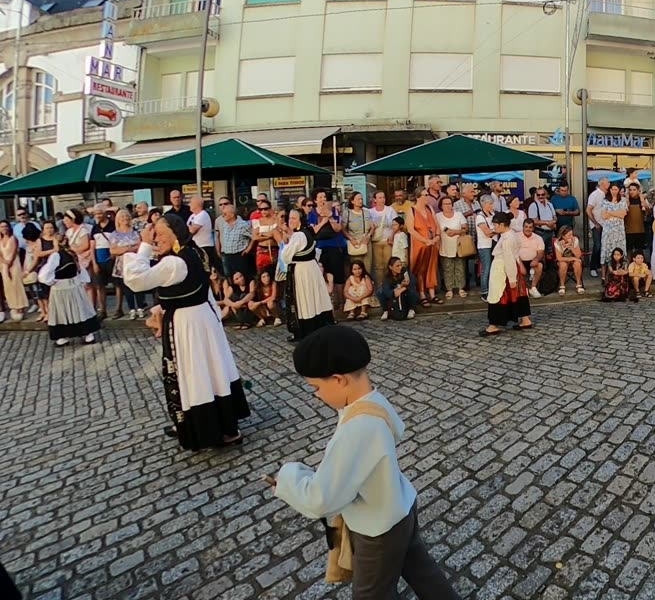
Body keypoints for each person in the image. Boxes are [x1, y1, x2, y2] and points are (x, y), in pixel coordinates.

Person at [269, 325, 462, 600]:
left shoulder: (356, 428)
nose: (316, 395)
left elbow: (321, 498)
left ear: (339, 380)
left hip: (378, 528)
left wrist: (289, 476)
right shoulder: (375, 401)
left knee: (371, 594)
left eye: (316, 387)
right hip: (400, 507)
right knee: (422, 571)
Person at [123, 213, 249, 449]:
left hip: (188, 324)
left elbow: (135, 279)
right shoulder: (195, 252)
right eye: (153, 234)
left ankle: (205, 427)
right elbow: (199, 290)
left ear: (176, 233)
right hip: (201, 318)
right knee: (210, 370)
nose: (155, 238)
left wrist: (143, 247)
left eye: (160, 233)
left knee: (196, 373)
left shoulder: (174, 262)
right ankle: (220, 425)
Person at [282, 207, 336, 342]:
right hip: (311, 267)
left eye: (294, 218)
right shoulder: (308, 232)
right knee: (314, 297)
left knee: (304, 298)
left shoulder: (298, 236)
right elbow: (315, 252)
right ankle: (320, 326)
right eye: (289, 218)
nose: (291, 221)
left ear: (300, 220)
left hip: (302, 270)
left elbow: (286, 256)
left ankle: (305, 330)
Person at [39, 232, 100, 346]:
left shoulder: (56, 256)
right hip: (75, 286)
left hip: (61, 288)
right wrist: (81, 281)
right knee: (80, 309)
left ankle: (63, 337)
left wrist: (51, 282)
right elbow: (80, 270)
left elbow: (44, 274)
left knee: (63, 312)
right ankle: (87, 335)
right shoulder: (72, 254)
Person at [482, 212, 533, 336]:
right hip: (508, 268)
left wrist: (511, 279)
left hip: (504, 269)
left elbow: (509, 258)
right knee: (518, 294)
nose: (494, 227)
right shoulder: (510, 235)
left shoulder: (508, 239)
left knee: (498, 295)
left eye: (495, 225)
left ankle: (493, 325)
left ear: (502, 224)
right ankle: (525, 319)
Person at [407, 189, 442, 305]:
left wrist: (436, 237)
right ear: (418, 197)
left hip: (433, 243)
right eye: (425, 195)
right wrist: (425, 240)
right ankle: (421, 293)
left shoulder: (429, 208)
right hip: (420, 245)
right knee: (420, 269)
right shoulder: (411, 210)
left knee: (432, 267)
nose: (427, 197)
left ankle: (432, 293)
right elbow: (411, 229)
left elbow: (436, 225)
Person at [435, 197, 467, 300]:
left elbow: (465, 228)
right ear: (441, 206)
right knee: (447, 268)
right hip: (444, 246)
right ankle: (449, 289)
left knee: (460, 267)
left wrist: (455, 232)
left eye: (449, 203)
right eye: (445, 204)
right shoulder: (437, 216)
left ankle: (461, 288)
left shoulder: (459, 215)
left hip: (458, 246)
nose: (448, 206)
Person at [0, 221, 29, 322]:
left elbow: (12, 253)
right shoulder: (0, 239)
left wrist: (8, 265)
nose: (4, 228)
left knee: (16, 285)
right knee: (8, 287)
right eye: (2, 227)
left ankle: (20, 307)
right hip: (4, 265)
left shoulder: (13, 238)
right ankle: (13, 306)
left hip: (14, 264)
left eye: (5, 226)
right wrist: (4, 264)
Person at [554, 225, 585, 295]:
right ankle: (562, 286)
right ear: (563, 236)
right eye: (569, 235)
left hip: (574, 259)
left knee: (577, 263)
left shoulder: (575, 240)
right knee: (563, 264)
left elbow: (578, 255)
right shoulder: (557, 243)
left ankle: (578, 284)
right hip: (563, 259)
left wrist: (571, 247)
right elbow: (559, 258)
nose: (571, 236)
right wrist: (573, 258)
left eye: (572, 234)